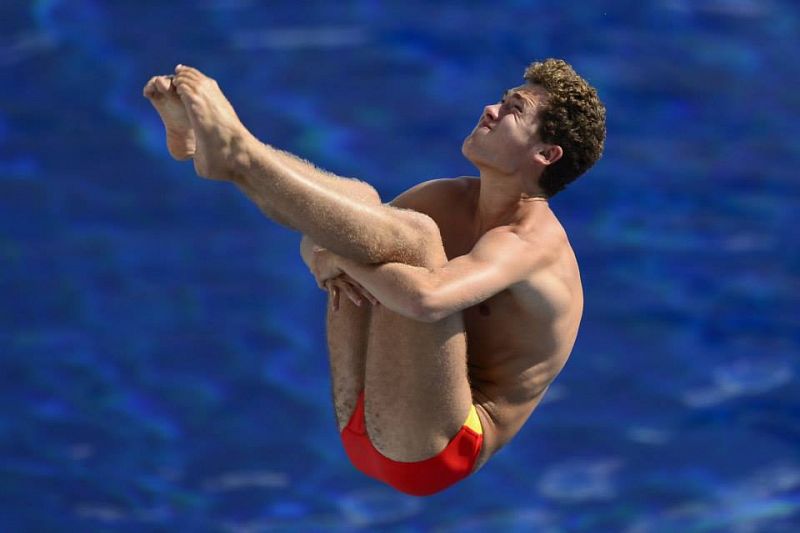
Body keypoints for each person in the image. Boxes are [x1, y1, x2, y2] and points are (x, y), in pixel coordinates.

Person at [143, 58, 606, 496]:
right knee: (362, 204)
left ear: (546, 154)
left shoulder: (531, 242)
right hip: (364, 416)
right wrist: (333, 255)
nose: (490, 109)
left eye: (512, 110)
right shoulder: (448, 198)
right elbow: (322, 235)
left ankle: (238, 153)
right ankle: (217, 150)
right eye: (501, 100)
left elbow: (426, 300)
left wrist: (342, 260)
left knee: (415, 238)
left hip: (438, 448)